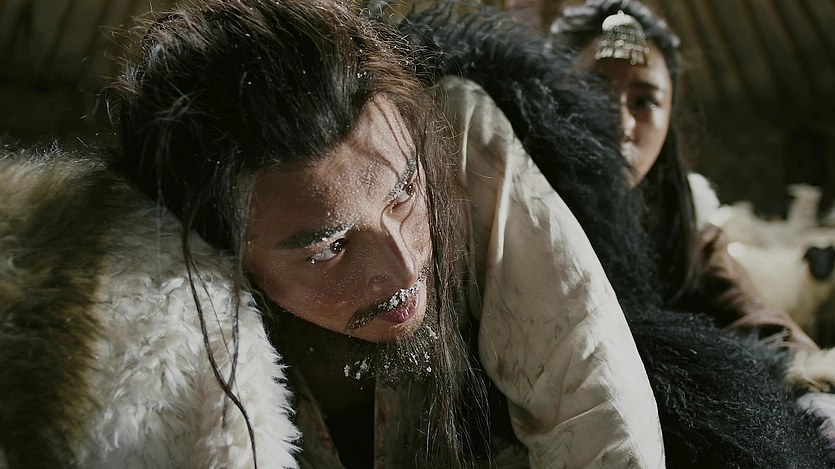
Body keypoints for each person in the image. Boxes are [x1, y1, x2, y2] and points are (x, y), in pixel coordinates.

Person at [0, 0, 664, 467]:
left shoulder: (454, 133)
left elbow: (589, 392)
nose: (403, 269)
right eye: (329, 247)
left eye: (404, 194)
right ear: (221, 251)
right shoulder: (164, 286)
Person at [547, 0, 835, 463]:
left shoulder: (684, 225)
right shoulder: (523, 210)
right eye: (594, 90)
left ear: (669, 116)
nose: (621, 123)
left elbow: (749, 317)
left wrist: (814, 385)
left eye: (645, 101)